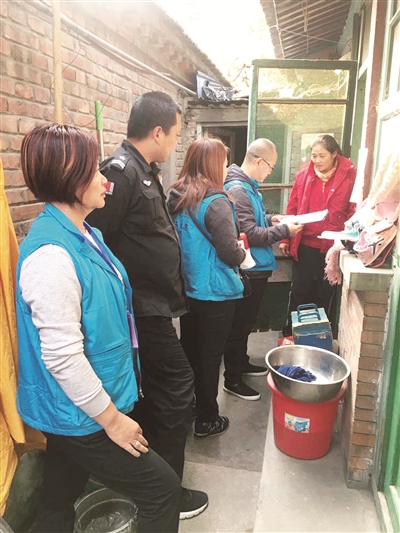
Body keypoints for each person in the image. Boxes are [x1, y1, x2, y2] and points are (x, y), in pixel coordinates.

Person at [16, 123, 181, 533]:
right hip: (80, 413)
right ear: (69, 178)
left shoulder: (84, 233)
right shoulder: (51, 257)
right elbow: (62, 357)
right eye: (94, 171)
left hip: (76, 408)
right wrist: (113, 420)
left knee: (60, 493)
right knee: (162, 490)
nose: (105, 180)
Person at [86, 91, 207, 519]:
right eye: (175, 134)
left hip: (153, 308)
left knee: (157, 394)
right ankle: (166, 492)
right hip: (138, 312)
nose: (175, 142)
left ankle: (153, 481)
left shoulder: (144, 172)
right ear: (157, 132)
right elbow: (95, 244)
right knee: (177, 388)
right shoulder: (119, 173)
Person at [168, 137, 246, 438]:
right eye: (224, 162)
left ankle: (187, 408)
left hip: (189, 288)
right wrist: (241, 253)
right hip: (216, 292)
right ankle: (207, 418)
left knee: (190, 351)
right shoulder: (217, 202)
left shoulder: (176, 197)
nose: (226, 168)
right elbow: (229, 252)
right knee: (211, 358)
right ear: (214, 165)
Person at [223, 138, 302, 400]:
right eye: (271, 166)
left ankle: (241, 363)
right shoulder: (238, 189)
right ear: (259, 161)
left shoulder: (248, 187)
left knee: (246, 323)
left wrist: (271, 219)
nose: (270, 172)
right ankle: (232, 379)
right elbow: (250, 234)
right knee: (239, 325)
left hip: (256, 268)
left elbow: (254, 221)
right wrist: (285, 231)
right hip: (249, 269)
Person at [280, 134, 357, 336]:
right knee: (299, 292)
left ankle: (320, 337)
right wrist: (285, 238)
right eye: (314, 156)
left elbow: (353, 209)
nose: (317, 160)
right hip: (304, 244)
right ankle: (292, 335)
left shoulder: (350, 175)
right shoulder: (304, 176)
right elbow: (292, 207)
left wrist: (348, 237)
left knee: (325, 294)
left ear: (334, 154)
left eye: (322, 156)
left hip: (332, 247)